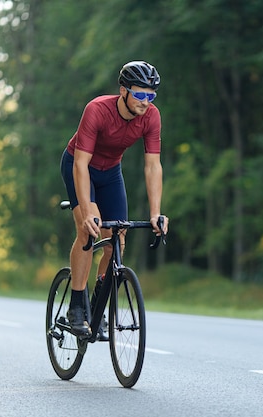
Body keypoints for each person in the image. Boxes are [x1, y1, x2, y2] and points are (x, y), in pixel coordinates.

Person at [60, 60, 169, 338]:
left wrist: (156, 213)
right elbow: (81, 165)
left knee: (117, 239)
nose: (146, 101)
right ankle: (75, 306)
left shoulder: (151, 117)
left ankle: (97, 307)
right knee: (89, 231)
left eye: (151, 95)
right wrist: (86, 209)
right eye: (140, 94)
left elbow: (152, 166)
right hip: (79, 165)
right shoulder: (97, 110)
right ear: (123, 91)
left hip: (110, 173)